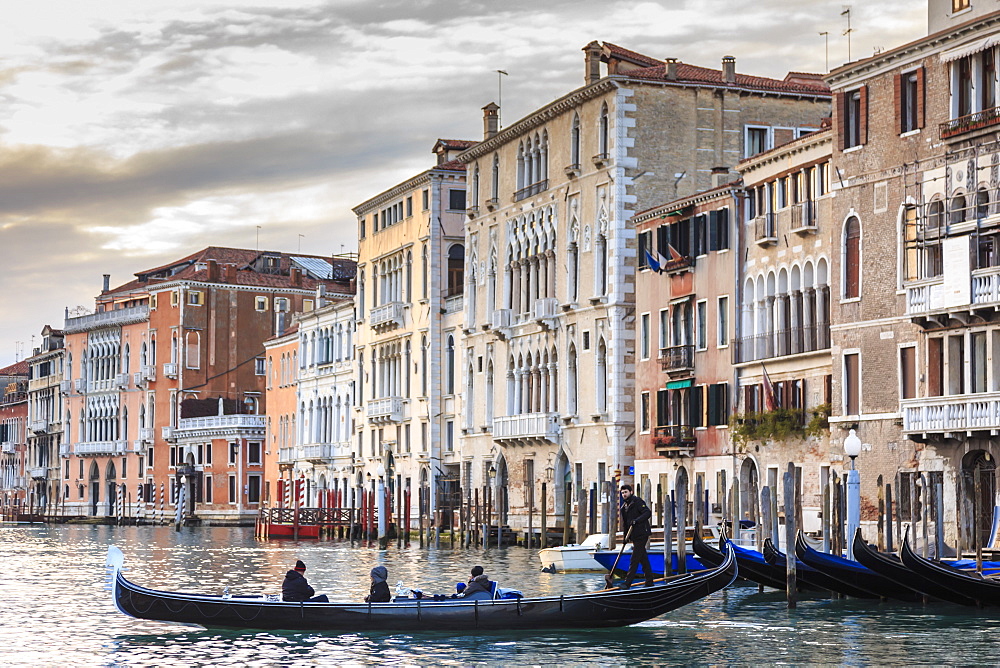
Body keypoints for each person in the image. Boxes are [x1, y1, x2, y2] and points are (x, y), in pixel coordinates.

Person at [619, 484, 654, 589]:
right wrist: (625, 538)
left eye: (626, 492)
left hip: (642, 534)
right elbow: (626, 525)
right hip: (634, 536)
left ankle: (627, 583)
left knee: (634, 559)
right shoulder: (623, 508)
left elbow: (647, 513)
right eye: (622, 493)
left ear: (631, 492)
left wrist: (637, 521)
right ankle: (649, 581)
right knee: (643, 558)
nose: (624, 494)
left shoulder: (637, 502)